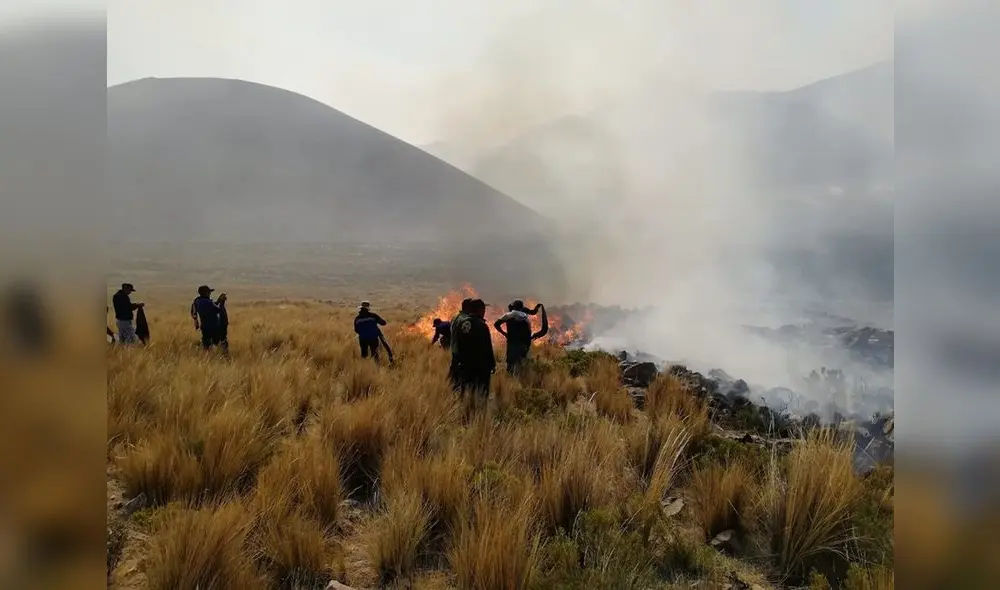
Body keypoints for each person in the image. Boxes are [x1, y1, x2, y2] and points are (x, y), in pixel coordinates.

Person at [452, 298, 496, 408]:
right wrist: (492, 363)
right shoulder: (481, 325)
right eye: (483, 309)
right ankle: (480, 411)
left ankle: (465, 408)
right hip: (480, 364)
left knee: (466, 388)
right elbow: (487, 346)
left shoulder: (462, 323)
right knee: (482, 390)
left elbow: (458, 343)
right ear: (479, 310)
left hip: (465, 363)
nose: (485, 311)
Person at [494, 299, 548, 374]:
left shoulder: (509, 315)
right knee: (522, 364)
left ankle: (510, 380)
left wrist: (504, 334)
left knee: (510, 365)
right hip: (523, 345)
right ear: (521, 307)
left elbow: (496, 324)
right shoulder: (526, 318)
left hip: (512, 344)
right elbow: (533, 314)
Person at [447, 299, 473, 391]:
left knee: (454, 371)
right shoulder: (466, 320)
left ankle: (450, 389)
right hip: (462, 351)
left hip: (454, 349)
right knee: (462, 374)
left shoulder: (455, 317)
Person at [191, 285, 223, 351]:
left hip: (204, 326)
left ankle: (204, 354)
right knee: (216, 343)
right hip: (213, 326)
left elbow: (193, 311)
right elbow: (218, 310)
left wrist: (218, 301)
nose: (210, 294)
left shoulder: (197, 301)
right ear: (206, 293)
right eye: (209, 292)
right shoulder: (208, 302)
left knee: (206, 343)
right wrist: (222, 302)